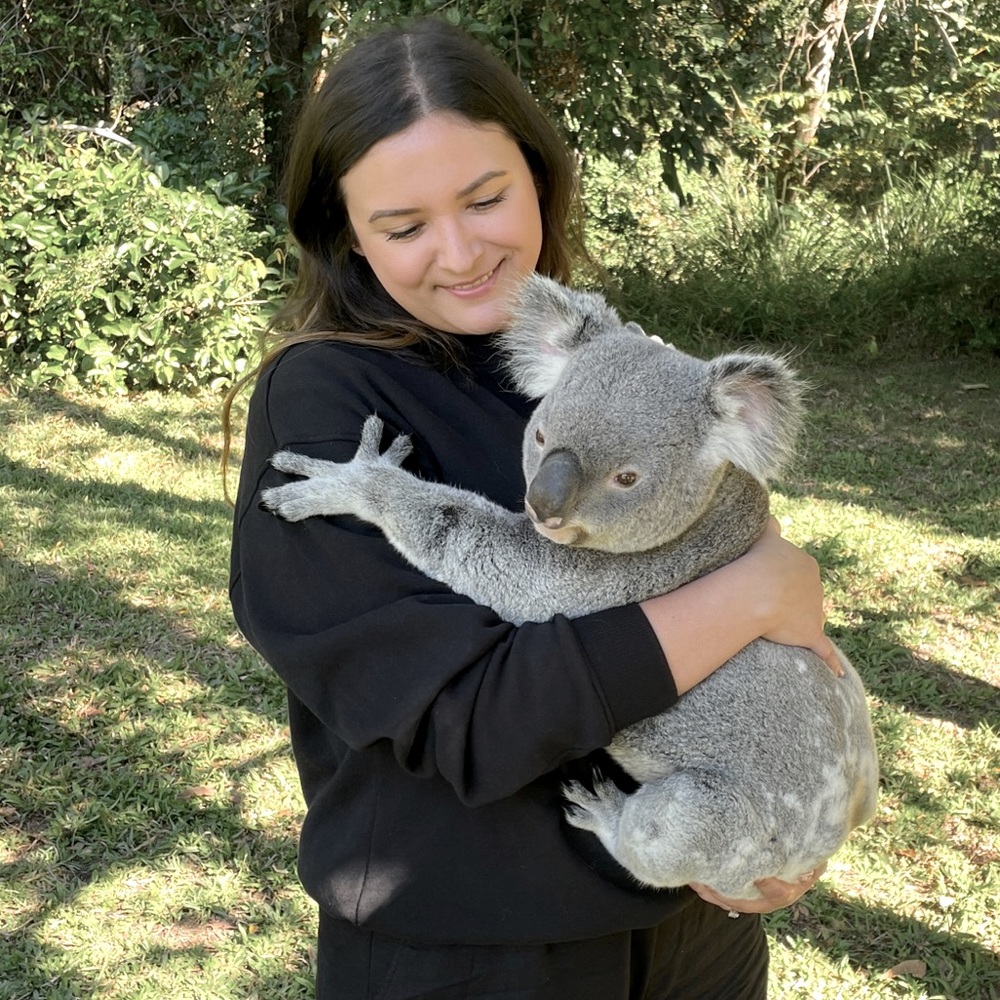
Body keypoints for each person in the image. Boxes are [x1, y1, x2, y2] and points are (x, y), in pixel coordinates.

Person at [227, 17, 841, 1000]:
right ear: (344, 231)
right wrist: (759, 592)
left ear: (540, 177)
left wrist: (793, 810)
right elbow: (469, 714)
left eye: (486, 198)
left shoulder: (603, 363)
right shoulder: (325, 401)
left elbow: (752, 592)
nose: (462, 251)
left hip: (692, 925)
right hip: (474, 947)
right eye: (404, 225)